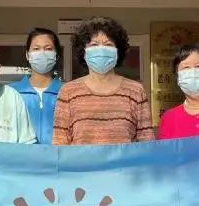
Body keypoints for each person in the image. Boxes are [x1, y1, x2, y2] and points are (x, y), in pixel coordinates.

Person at [53, 17, 154, 145]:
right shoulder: (68, 91)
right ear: (84, 52)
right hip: (80, 159)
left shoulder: (136, 91)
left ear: (118, 51)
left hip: (125, 159)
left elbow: (147, 142)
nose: (101, 50)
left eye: (108, 44)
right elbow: (60, 143)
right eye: (94, 45)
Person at [9, 27, 63, 144]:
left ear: (56, 56)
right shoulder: (11, 93)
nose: (42, 53)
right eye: (36, 48)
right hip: (21, 155)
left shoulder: (67, 92)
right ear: (27, 55)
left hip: (58, 155)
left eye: (48, 49)